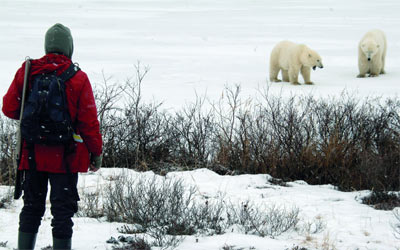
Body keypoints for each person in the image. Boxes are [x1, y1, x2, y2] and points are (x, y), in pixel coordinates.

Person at [2, 23, 103, 250]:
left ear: (47, 45)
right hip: (65, 160)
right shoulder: (78, 78)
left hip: (32, 155)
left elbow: (9, 109)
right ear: (69, 47)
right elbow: (89, 123)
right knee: (62, 214)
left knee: (31, 209)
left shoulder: (28, 72)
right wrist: (96, 153)